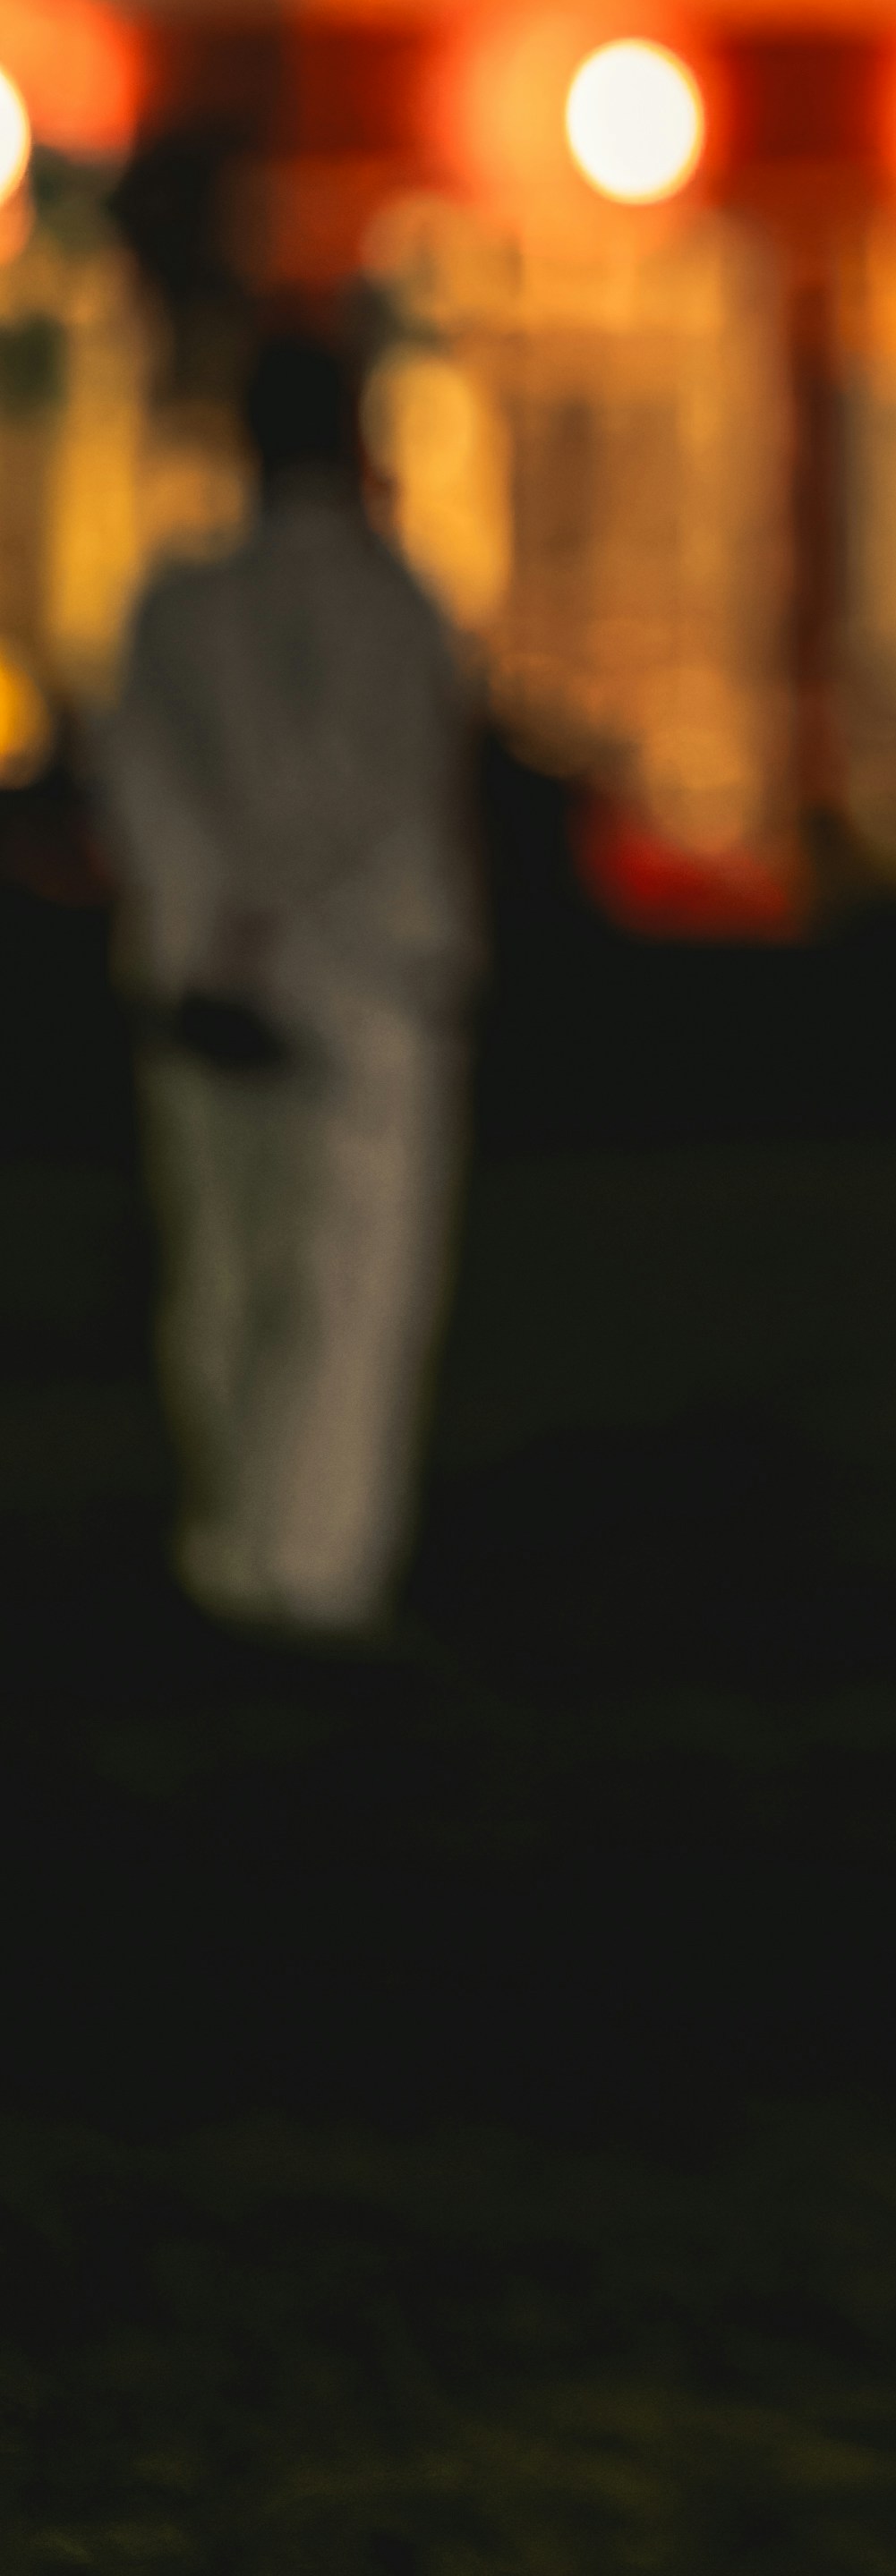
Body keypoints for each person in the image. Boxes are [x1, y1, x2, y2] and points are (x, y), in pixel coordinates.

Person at [86, 314, 477, 1642]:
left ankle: (240, 1549)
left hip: (214, 985)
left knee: (225, 1277)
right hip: (364, 990)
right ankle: (311, 1566)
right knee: (343, 1284)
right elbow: (389, 797)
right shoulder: (394, 604)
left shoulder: (179, 604)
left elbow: (144, 788)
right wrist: (292, 927)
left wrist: (214, 928)